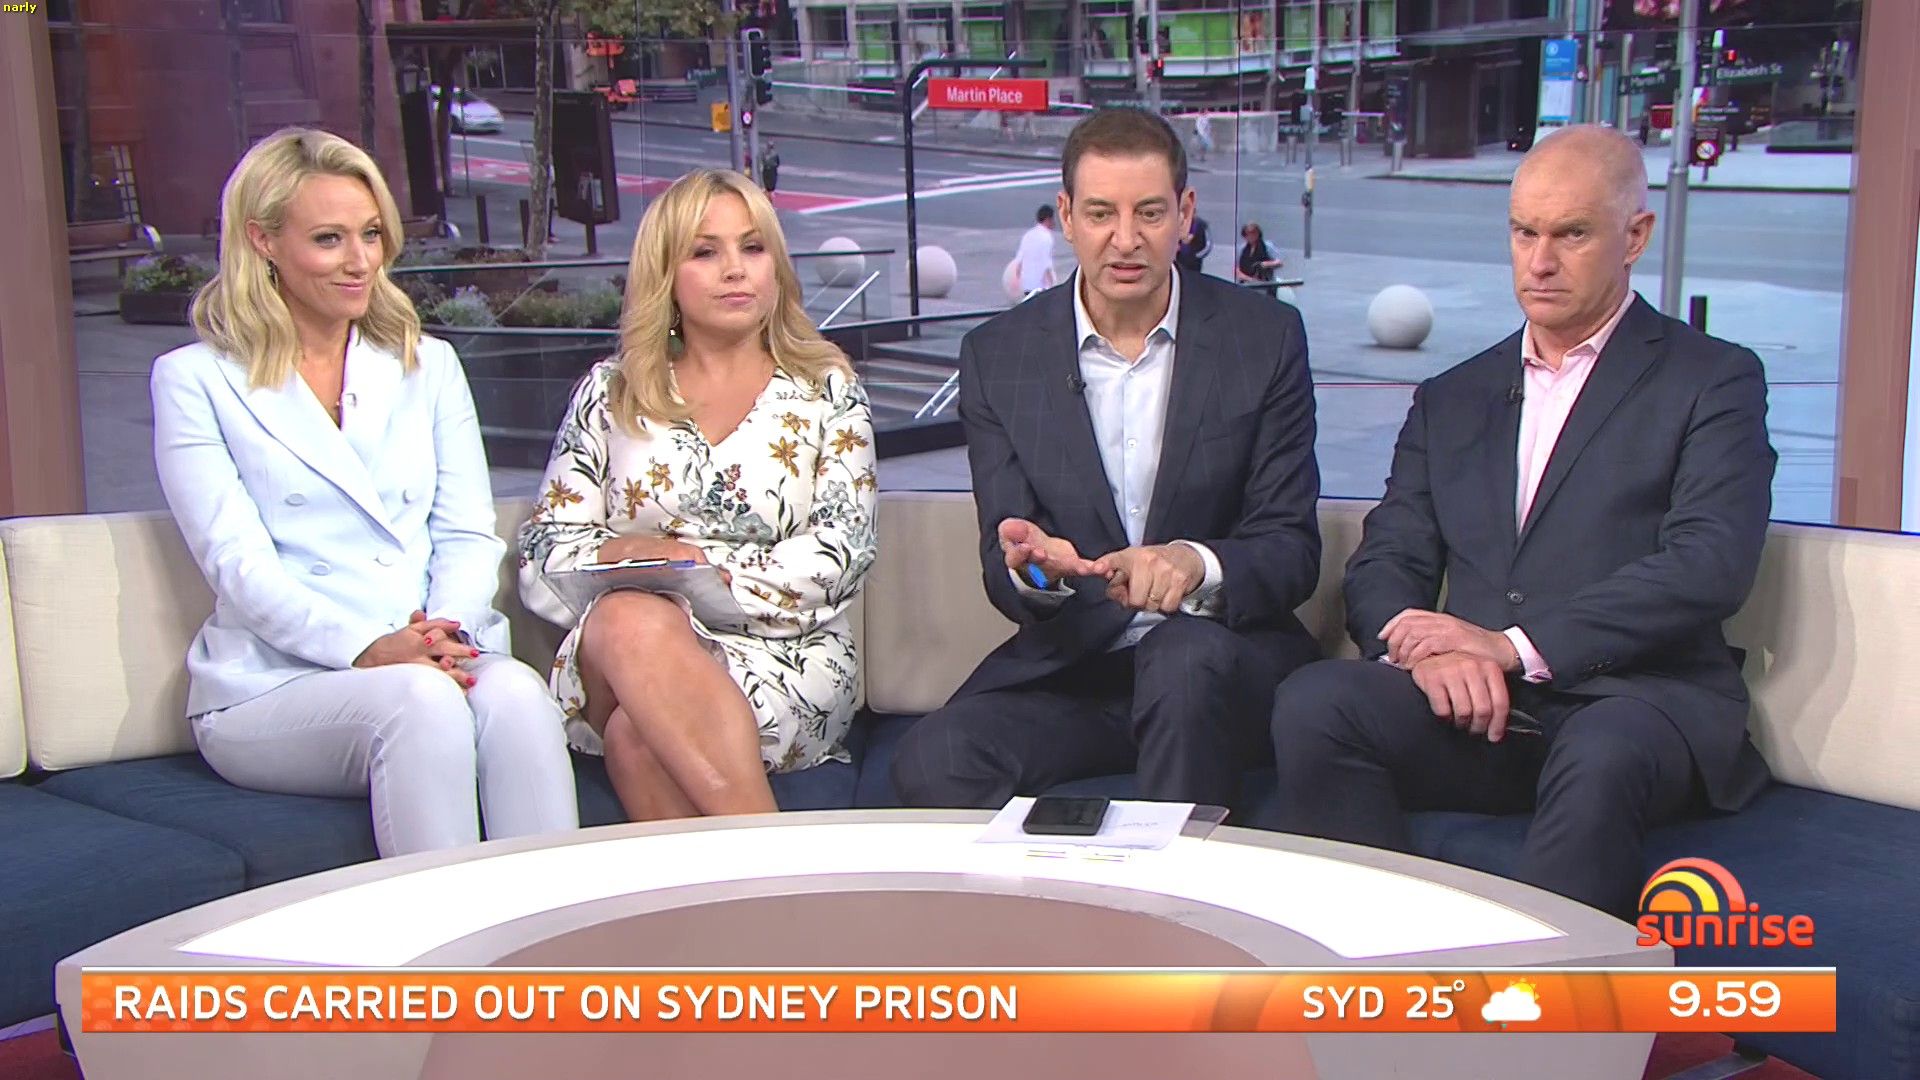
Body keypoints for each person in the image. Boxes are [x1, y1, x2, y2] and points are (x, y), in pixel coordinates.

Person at [1266, 125, 1777, 917]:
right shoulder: (1453, 397)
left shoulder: (1712, 380)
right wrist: (1425, 648)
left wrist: (1510, 647)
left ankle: (1541, 994)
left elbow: (1708, 563)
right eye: (1524, 233)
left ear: (1635, 236)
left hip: (1634, 703)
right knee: (1316, 701)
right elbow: (1388, 558)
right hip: (1482, 711)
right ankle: (1383, 963)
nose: (1540, 262)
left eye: (1572, 234)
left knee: (1601, 751)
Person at [150, 128, 579, 858]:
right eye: (329, 239)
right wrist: (371, 648)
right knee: (422, 703)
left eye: (371, 234)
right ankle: (445, 935)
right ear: (263, 241)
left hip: (429, 649)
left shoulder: (427, 365)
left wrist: (442, 631)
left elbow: (466, 531)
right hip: (276, 682)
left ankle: (556, 927)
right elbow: (237, 565)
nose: (361, 261)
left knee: (518, 696)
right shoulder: (195, 380)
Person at [891, 107, 1323, 809]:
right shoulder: (1000, 357)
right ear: (1067, 216)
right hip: (1080, 668)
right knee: (934, 760)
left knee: (1181, 661)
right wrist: (1038, 569)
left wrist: (1193, 564)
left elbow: (1291, 549)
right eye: (1100, 214)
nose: (1126, 240)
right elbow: (1008, 565)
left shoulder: (1264, 339)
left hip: (1217, 662)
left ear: (1185, 213)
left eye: (1149, 213)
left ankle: (1169, 881)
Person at [518, 168, 877, 822]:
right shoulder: (611, 392)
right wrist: (634, 559)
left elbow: (842, 551)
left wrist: (697, 570)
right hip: (619, 655)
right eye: (705, 252)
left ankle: (757, 884)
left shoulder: (826, 388)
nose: (735, 269)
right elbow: (545, 552)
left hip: (787, 655)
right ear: (666, 274)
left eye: (752, 247)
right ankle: (790, 870)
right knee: (632, 620)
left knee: (639, 738)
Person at [1014, 204, 1059, 296]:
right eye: (1052, 219)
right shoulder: (1047, 237)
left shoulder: (1028, 235)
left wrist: (1020, 281)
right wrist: (1052, 284)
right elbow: (1047, 263)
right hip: (1041, 286)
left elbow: (1019, 262)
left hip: (1027, 285)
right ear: (1048, 219)